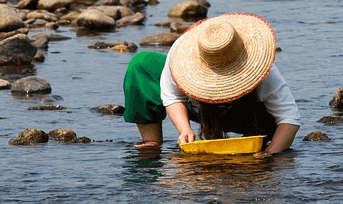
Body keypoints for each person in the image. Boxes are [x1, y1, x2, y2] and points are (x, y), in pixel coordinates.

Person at [123, 12, 300, 157]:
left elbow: (289, 119)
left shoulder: (261, 68)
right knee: (142, 64)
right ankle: (152, 144)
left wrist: (269, 154)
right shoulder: (180, 57)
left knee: (273, 130)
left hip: (247, 113)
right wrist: (184, 130)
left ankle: (255, 143)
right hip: (198, 107)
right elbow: (173, 96)